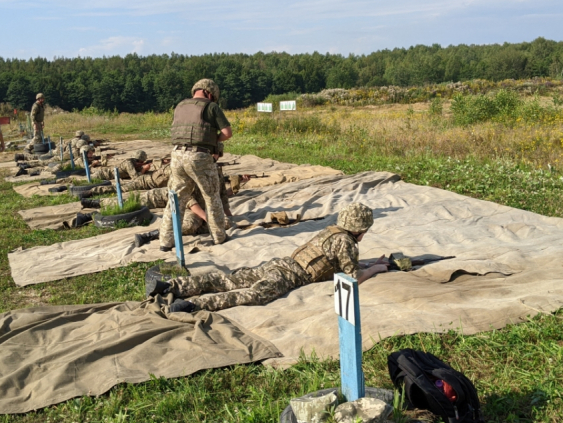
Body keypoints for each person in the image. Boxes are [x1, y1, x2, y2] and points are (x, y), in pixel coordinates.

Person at [151, 203, 389, 313]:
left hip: (279, 263)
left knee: (228, 280)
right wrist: (375, 270)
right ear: (361, 229)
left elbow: (340, 261)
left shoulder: (332, 231)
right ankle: (193, 305)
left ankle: (170, 285)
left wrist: (370, 263)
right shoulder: (347, 241)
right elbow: (353, 277)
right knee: (252, 295)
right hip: (289, 276)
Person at [158, 79, 232, 250]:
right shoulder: (211, 107)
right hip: (199, 157)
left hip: (176, 155)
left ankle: (166, 241)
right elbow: (227, 133)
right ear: (210, 93)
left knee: (176, 200)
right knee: (212, 197)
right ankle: (219, 237)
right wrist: (213, 141)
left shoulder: (180, 106)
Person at [80, 156, 171, 197]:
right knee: (120, 189)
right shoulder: (129, 163)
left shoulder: (134, 164)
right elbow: (135, 177)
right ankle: (93, 192)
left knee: (120, 188)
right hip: (142, 182)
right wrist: (143, 169)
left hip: (146, 181)